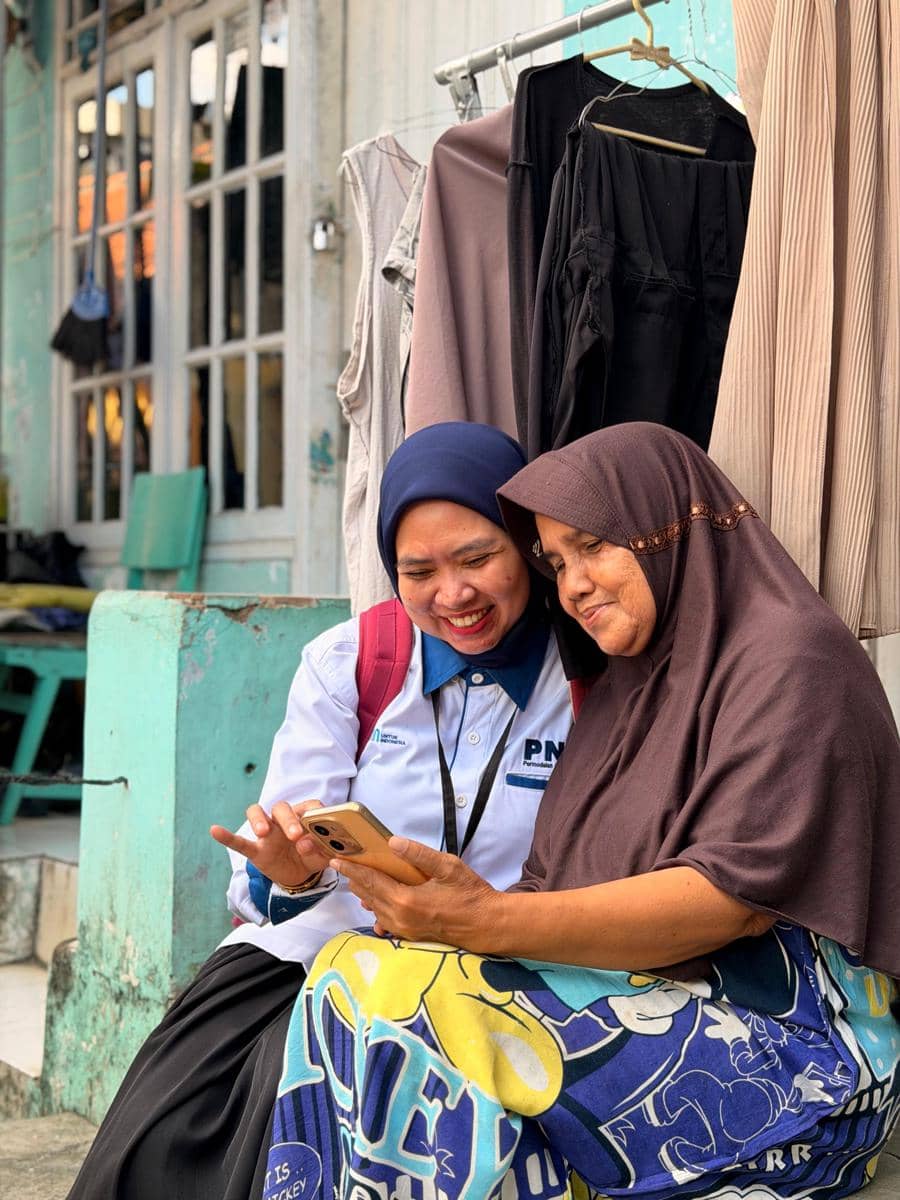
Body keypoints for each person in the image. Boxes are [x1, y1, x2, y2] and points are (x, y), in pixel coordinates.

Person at [265, 422, 900, 1200]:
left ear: (667, 527)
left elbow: (728, 905)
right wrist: (456, 906)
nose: (573, 586)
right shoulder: (639, 677)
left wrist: (481, 922)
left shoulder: (791, 662)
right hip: (653, 994)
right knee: (348, 970)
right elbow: (561, 880)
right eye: (557, 563)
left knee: (415, 1005)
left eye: (594, 545)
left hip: (794, 1061)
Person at [66, 422, 574, 1200]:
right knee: (174, 1138)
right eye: (419, 571)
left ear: (529, 548)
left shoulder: (584, 678)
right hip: (322, 957)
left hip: (502, 974)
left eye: (478, 557)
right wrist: (290, 875)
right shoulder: (354, 663)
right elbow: (267, 882)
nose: (454, 594)